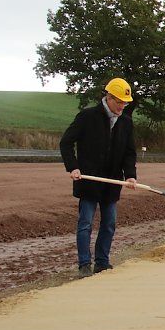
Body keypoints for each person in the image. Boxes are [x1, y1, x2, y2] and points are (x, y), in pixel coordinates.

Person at [60, 78, 137, 278]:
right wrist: (73, 167)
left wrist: (130, 176)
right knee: (85, 223)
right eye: (119, 102)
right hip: (89, 181)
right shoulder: (87, 117)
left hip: (112, 183)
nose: (122, 106)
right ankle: (84, 265)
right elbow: (66, 142)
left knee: (109, 224)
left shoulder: (126, 123)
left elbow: (130, 152)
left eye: (125, 103)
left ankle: (102, 263)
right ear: (109, 97)